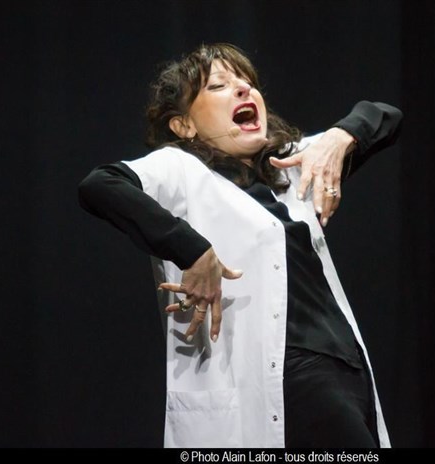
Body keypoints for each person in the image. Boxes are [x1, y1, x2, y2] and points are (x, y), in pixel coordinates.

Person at [78, 43, 402, 448]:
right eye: (219, 86)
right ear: (184, 125)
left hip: (348, 371)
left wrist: (339, 138)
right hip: (292, 375)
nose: (244, 89)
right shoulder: (181, 169)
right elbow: (100, 185)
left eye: (247, 82)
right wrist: (192, 250)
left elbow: (387, 117)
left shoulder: (289, 166)